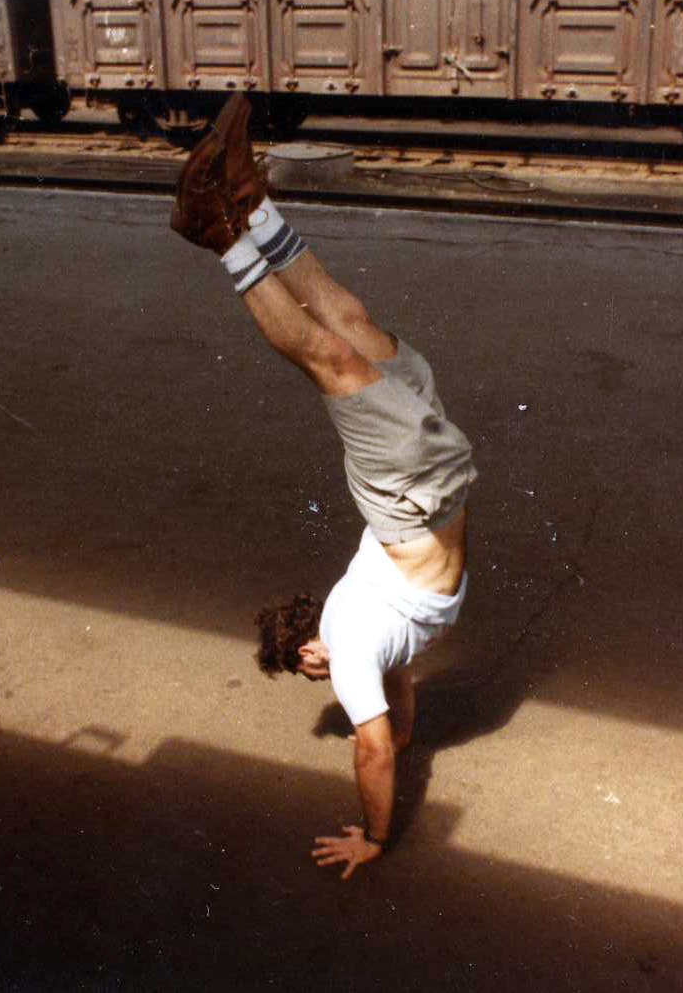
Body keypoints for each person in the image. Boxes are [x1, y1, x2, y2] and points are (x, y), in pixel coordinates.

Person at [170, 95, 477, 880]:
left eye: (312, 675)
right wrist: (399, 734)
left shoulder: (345, 643)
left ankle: (220, 234)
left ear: (308, 652)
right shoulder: (371, 630)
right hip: (422, 477)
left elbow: (370, 751)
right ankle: (253, 207)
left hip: (411, 485)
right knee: (349, 320)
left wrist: (372, 834)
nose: (330, 685)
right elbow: (395, 712)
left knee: (329, 359)